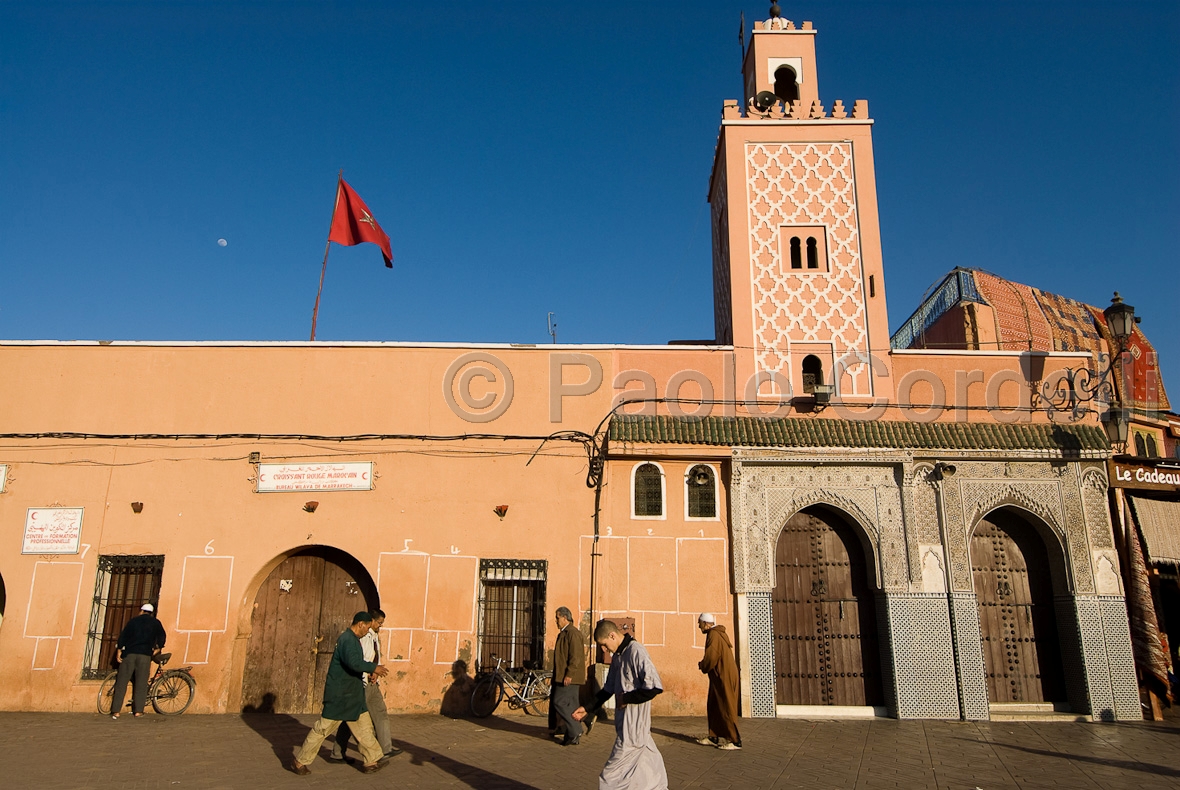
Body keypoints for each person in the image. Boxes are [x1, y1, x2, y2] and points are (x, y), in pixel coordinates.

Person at [291, 612, 390, 775]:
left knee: (365, 728)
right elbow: (354, 663)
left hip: (353, 695)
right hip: (340, 696)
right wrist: (374, 668)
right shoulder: (347, 640)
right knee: (322, 729)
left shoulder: (353, 640)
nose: (367, 630)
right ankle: (300, 761)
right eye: (366, 627)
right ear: (360, 624)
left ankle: (371, 761)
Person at [573, 620, 667, 790]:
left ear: (612, 635)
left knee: (610, 778)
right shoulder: (618, 656)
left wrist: (627, 698)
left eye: (604, 644)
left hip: (633, 732)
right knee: (651, 775)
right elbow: (608, 689)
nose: (603, 650)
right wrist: (587, 708)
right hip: (629, 729)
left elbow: (654, 687)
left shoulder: (636, 651)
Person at [329, 609, 401, 761]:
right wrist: (371, 670)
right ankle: (341, 752)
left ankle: (385, 748)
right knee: (352, 718)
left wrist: (375, 672)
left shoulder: (373, 636)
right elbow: (357, 661)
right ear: (370, 621)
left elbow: (373, 657)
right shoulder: (358, 637)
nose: (379, 626)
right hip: (361, 683)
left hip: (372, 682)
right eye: (378, 623)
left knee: (380, 713)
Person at [109, 603, 166, 719]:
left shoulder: (133, 622)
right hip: (145, 656)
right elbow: (162, 636)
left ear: (141, 611)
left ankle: (116, 711)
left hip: (129, 654)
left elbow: (123, 636)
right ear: (151, 613)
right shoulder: (156, 623)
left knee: (122, 682)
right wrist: (158, 648)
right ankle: (138, 711)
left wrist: (119, 650)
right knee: (141, 683)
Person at [695, 613, 741, 750]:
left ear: (705, 623)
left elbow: (712, 656)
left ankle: (735, 740)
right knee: (714, 704)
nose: (699, 626)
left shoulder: (713, 634)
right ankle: (713, 736)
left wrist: (703, 665)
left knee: (727, 706)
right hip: (719, 676)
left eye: (700, 623)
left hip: (723, 676)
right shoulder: (717, 633)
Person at [551, 606, 587, 746]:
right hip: (564, 675)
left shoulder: (572, 633)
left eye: (558, 618)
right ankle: (572, 732)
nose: (556, 621)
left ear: (565, 618)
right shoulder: (565, 633)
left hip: (569, 677)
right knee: (571, 706)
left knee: (558, 702)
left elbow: (576, 656)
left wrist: (569, 674)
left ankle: (576, 729)